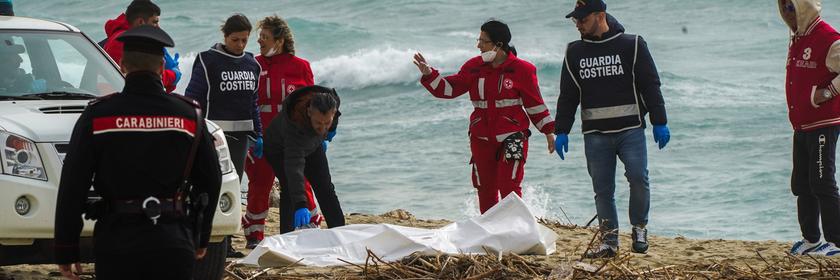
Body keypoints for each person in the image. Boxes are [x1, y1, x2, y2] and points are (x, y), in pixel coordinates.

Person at [53, 26, 222, 280]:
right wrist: (201, 235)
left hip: (117, 241)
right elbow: (211, 179)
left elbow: (72, 185)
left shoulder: (98, 115)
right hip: (173, 239)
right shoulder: (189, 115)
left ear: (122, 65)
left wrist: (67, 248)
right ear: (161, 67)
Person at [554, 0, 670, 258]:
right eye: (576, 20)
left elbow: (651, 84)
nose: (578, 25)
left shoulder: (633, 45)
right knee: (603, 190)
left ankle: (639, 228)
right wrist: (561, 129)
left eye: (582, 19)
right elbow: (568, 95)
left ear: (600, 15)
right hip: (595, 135)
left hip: (631, 129)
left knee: (638, 178)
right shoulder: (574, 52)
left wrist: (659, 121)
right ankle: (608, 242)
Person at [412, 20, 556, 214]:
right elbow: (449, 89)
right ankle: (490, 232)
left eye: (483, 41)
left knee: (509, 187)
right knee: (485, 188)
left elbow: (534, 104)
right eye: (478, 40)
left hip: (513, 136)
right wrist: (430, 75)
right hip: (481, 138)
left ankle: (515, 230)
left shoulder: (523, 69)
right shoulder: (473, 67)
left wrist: (549, 132)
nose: (478, 45)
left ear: (498, 45)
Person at [241, 15, 325, 249]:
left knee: (301, 182)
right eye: (259, 39)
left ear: (280, 41)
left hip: (294, 139)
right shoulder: (253, 65)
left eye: (265, 38)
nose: (260, 43)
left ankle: (309, 228)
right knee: (259, 184)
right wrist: (251, 136)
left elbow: (314, 104)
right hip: (261, 138)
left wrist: (319, 135)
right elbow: (245, 102)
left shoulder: (301, 67)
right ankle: (254, 236)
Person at [185, 14, 261, 257]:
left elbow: (253, 103)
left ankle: (226, 243)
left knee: (233, 188)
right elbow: (194, 96)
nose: (240, 45)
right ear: (225, 36)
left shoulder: (253, 64)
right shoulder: (208, 61)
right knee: (210, 186)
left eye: (244, 40)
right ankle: (205, 239)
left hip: (240, 139)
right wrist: (193, 130)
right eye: (235, 39)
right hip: (213, 137)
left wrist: (259, 134)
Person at [780, 0, 840, 257]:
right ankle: (811, 239)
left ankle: (837, 243)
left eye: (791, 6)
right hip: (801, 124)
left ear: (802, 6)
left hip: (823, 124)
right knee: (802, 183)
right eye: (783, 6)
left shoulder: (827, 37)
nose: (786, 12)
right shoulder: (797, 37)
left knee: (822, 182)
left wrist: (826, 93)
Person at [263, 85, 345, 234]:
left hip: (313, 144)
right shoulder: (295, 125)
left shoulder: (332, 101)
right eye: (318, 123)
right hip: (279, 149)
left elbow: (335, 114)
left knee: (325, 187)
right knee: (289, 188)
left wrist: (331, 129)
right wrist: (301, 205)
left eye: (327, 123)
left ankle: (339, 231)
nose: (322, 128)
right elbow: (294, 169)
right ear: (308, 112)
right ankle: (287, 236)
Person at [102, 0, 180, 93]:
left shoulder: (118, 37)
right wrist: (174, 75)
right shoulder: (125, 41)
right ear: (141, 22)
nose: (158, 27)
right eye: (155, 22)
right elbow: (146, 78)